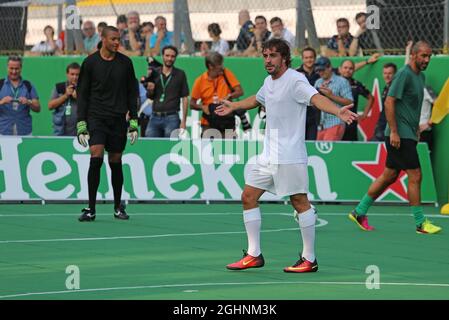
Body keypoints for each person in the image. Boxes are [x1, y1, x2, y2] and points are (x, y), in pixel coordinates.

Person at [216, 38, 357, 272]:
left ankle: (309, 259)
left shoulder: (295, 80)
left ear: (284, 58)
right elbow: (257, 99)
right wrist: (234, 106)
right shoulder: (268, 82)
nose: (268, 60)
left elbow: (316, 99)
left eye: (272, 56)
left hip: (290, 155)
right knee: (248, 196)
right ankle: (254, 255)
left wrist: (336, 109)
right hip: (268, 156)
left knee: (299, 202)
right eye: (265, 55)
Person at [349, 41, 442, 234]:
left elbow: (410, 106)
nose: (426, 60)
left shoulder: (420, 77)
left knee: (389, 176)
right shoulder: (404, 74)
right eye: (423, 56)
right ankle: (420, 223)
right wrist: (393, 131)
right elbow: (390, 101)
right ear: (414, 55)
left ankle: (359, 211)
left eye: (429, 56)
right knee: (415, 175)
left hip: (408, 133)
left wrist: (415, 127)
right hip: (398, 135)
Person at [76, 26, 139, 222]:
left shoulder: (126, 63)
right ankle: (91, 208)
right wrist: (81, 123)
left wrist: (134, 121)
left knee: (115, 161)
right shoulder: (90, 63)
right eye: (113, 39)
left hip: (118, 119)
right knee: (95, 156)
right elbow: (83, 95)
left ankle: (118, 206)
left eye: (118, 39)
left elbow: (132, 92)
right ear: (102, 38)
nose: (116, 42)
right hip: (96, 117)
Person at [190, 52, 245, 139]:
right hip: (209, 122)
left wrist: (229, 96)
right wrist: (203, 107)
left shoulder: (226, 73)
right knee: (207, 150)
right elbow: (192, 104)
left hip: (227, 119)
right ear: (210, 66)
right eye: (219, 64)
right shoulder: (200, 81)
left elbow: (240, 91)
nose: (222, 66)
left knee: (230, 150)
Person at [145, 45, 189, 138]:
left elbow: (185, 98)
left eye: (172, 56)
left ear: (175, 58)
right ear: (162, 56)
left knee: (170, 148)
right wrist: (150, 90)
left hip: (172, 117)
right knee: (150, 145)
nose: (170, 58)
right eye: (167, 55)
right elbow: (150, 96)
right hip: (154, 116)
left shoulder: (180, 74)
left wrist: (184, 121)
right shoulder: (155, 72)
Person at [314, 57, 353, 141]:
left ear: (329, 67)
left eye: (323, 70)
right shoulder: (318, 82)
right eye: (319, 70)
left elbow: (350, 102)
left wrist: (331, 96)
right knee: (318, 152)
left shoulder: (342, 81)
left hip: (336, 122)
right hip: (321, 124)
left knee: (329, 151)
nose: (320, 72)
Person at [0, 55, 40, 135]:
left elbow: (38, 108)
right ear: (7, 67)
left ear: (21, 68)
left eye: (16, 69)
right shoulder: (0, 84)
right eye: (11, 68)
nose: (14, 72)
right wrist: (2, 102)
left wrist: (29, 102)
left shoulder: (28, 85)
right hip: (3, 130)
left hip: (24, 130)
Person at [337, 60, 374, 141]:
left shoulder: (356, 84)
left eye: (350, 68)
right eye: (345, 68)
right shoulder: (333, 82)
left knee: (350, 150)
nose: (347, 70)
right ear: (340, 69)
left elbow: (371, 98)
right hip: (334, 124)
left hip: (350, 124)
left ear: (354, 70)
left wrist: (364, 115)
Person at [48, 62, 80, 136]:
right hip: (60, 131)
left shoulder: (85, 88)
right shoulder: (59, 87)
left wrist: (79, 98)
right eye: (72, 74)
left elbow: (92, 107)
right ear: (67, 74)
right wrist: (65, 96)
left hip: (80, 132)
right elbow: (50, 106)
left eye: (77, 74)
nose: (75, 77)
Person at [296, 47, 320, 140]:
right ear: (302, 59)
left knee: (312, 143)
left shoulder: (321, 72)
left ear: (315, 58)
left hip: (316, 114)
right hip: (299, 114)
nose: (309, 60)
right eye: (306, 58)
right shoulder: (295, 73)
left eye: (311, 57)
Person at [372, 63, 397, 141]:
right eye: (385, 73)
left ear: (395, 74)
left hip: (389, 126)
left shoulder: (396, 89)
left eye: (390, 73)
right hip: (382, 124)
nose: (387, 76)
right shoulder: (387, 88)